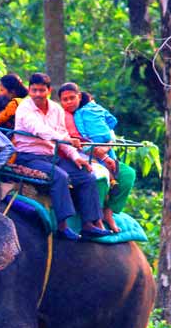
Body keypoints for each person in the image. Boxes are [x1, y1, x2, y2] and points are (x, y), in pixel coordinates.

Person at [13, 73, 110, 241]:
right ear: (29, 90)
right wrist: (66, 140)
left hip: (51, 155)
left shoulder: (56, 109)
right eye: (34, 90)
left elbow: (62, 135)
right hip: (29, 156)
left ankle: (88, 224)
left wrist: (75, 157)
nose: (37, 94)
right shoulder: (24, 108)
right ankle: (62, 226)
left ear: (49, 91)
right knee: (60, 177)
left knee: (86, 174)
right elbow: (39, 130)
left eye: (41, 90)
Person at [58, 82, 137, 233]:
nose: (69, 102)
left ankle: (109, 211)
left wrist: (107, 148)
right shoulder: (65, 117)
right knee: (100, 177)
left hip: (103, 152)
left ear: (79, 96)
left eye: (72, 98)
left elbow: (110, 129)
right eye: (65, 99)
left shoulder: (91, 110)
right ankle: (96, 217)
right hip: (81, 155)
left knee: (128, 175)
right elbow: (78, 141)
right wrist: (104, 156)